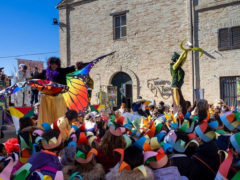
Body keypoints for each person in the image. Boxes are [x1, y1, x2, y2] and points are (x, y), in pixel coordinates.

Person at [33, 57, 76, 126]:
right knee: (47, 115)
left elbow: (71, 69)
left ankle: (59, 127)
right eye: (52, 64)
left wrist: (78, 65)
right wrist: (31, 78)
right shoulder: (45, 72)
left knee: (59, 114)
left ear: (58, 64)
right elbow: (36, 77)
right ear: (50, 64)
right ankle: (47, 128)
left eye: (56, 64)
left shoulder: (61, 71)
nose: (54, 65)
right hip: (47, 98)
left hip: (58, 97)